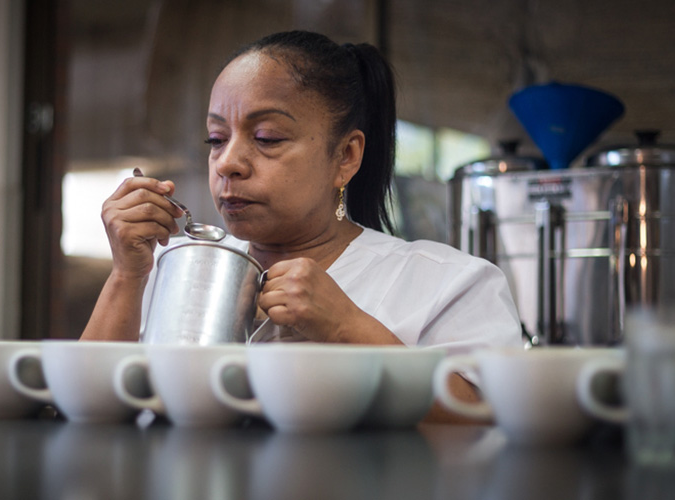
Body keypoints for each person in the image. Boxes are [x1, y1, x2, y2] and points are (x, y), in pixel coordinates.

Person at [81, 30, 522, 421]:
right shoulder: (173, 270)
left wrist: (346, 327)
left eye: (267, 138)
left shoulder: (445, 282)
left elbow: (485, 416)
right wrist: (127, 274)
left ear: (345, 156)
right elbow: (85, 407)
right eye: (216, 139)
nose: (228, 162)